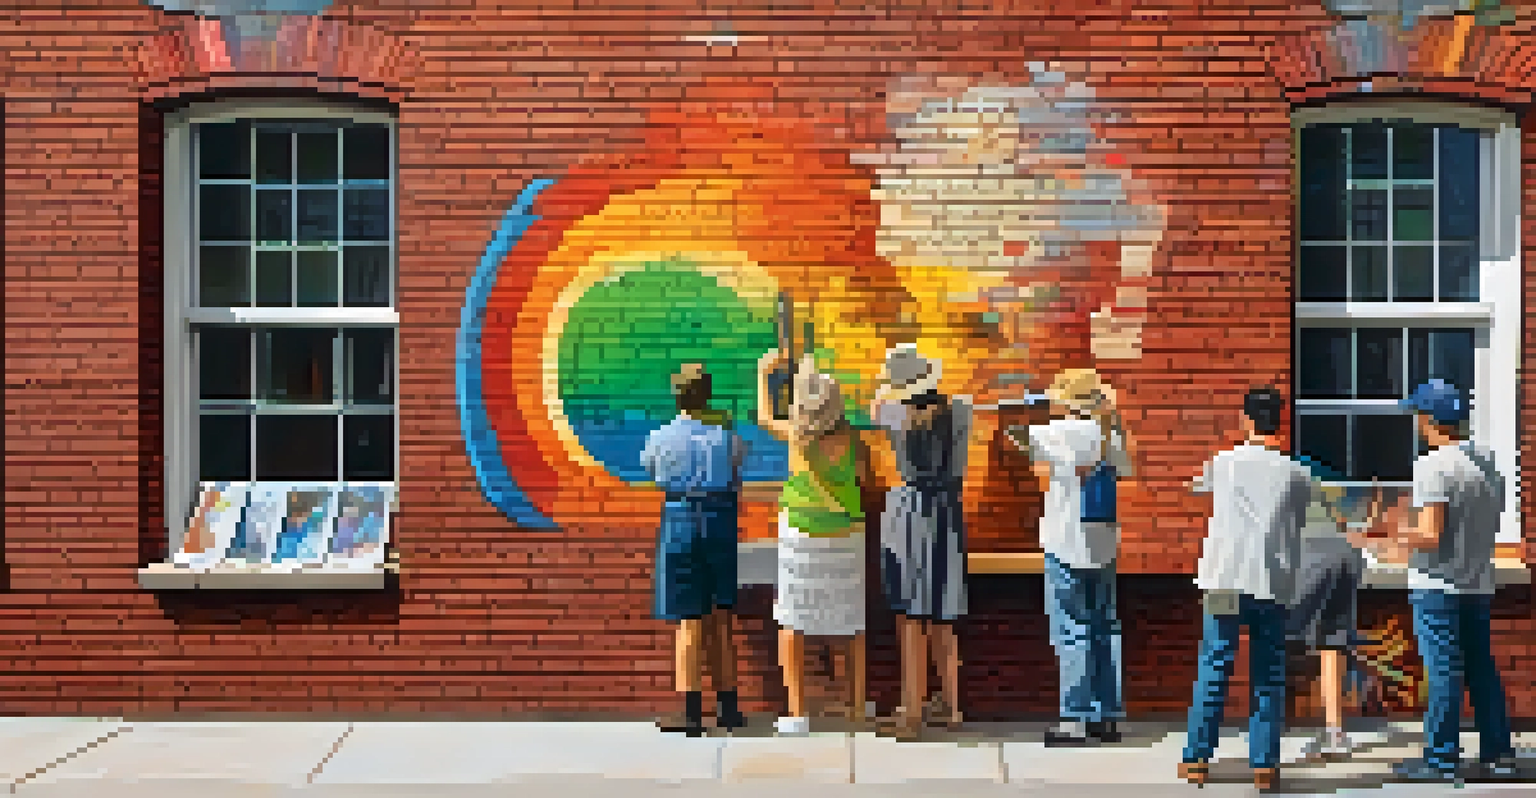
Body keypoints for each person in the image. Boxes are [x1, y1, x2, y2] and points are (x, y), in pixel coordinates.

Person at [1347, 379, 1515, 782]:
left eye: (1419, 415)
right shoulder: (1489, 463)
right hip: (1476, 583)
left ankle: (1441, 760)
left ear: (1429, 420)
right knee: (1481, 670)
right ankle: (1499, 755)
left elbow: (1430, 535)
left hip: (1437, 586)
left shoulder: (1433, 465)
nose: (1417, 423)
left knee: (1443, 673)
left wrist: (1383, 533)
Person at [1178, 386, 1310, 793]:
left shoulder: (1225, 463)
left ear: (1245, 419)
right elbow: (1299, 521)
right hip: (1271, 582)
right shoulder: (1296, 472)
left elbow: (1195, 487)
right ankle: (1264, 766)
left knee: (1214, 666)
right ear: (1280, 422)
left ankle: (1197, 759)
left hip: (1224, 578)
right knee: (1269, 675)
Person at [757, 349, 876, 737]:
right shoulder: (854, 442)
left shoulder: (795, 437)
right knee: (849, 622)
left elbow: (762, 417)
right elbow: (866, 484)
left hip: (800, 535)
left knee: (793, 621)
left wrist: (764, 374)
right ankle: (855, 706)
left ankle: (797, 713)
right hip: (846, 535)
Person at [1018, 368, 1136, 747]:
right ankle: (1107, 715)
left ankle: (1075, 717)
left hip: (1066, 541)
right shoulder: (1109, 434)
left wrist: (1026, 408)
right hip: (1102, 545)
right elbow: (1126, 469)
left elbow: (1017, 438)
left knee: (1071, 631)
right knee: (1105, 628)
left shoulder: (1062, 430)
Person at [869, 344, 973, 741]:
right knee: (942, 617)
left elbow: (875, 405)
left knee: (910, 616)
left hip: (911, 509)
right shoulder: (961, 409)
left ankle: (911, 709)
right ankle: (951, 705)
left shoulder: (895, 414)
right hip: (947, 510)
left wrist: (888, 385)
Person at [641, 363, 747, 737]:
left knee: (689, 621)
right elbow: (737, 471)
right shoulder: (727, 437)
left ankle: (690, 712)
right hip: (720, 521)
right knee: (721, 619)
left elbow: (653, 474)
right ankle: (728, 707)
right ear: (708, 393)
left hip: (681, 519)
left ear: (677, 395)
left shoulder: (661, 437)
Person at [1288, 475, 1366, 761]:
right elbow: (1345, 523)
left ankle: (1265, 734)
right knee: (1332, 641)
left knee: (1277, 635)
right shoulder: (1321, 491)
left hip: (1309, 551)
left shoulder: (1280, 480)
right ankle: (1335, 732)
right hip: (1345, 553)